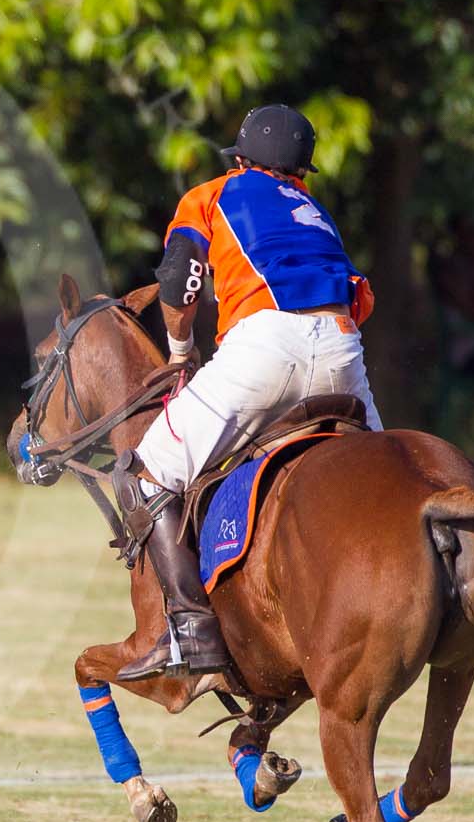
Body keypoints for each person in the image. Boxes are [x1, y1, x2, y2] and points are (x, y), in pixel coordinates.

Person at [117, 105, 383, 683]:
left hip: (263, 347)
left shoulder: (212, 196)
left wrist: (181, 352)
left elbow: (180, 278)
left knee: (146, 473)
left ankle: (189, 629)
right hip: (343, 346)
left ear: (240, 158)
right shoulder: (316, 212)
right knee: (383, 479)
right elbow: (361, 298)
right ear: (301, 173)